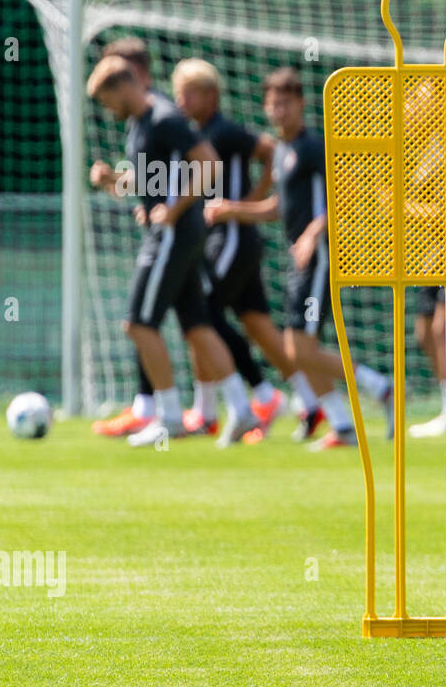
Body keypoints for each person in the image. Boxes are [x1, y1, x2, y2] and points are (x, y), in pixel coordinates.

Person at [215, 67, 394, 449]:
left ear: (300, 104)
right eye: (273, 103)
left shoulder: (314, 147)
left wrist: (313, 235)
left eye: (286, 103)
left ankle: (382, 389)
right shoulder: (281, 151)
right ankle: (344, 426)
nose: (279, 110)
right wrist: (233, 209)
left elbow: (345, 195)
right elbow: (279, 207)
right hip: (300, 259)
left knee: (301, 347)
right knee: (299, 349)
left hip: (323, 256)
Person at [85, 55, 258, 448]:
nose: (108, 109)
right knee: (196, 323)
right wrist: (113, 181)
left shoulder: (165, 117)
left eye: (108, 100)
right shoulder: (140, 124)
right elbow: (151, 181)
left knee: (139, 325)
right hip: (174, 232)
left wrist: (174, 209)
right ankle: (241, 407)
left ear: (124, 87)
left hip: (174, 235)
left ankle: (168, 417)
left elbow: (209, 164)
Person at [170, 58, 295, 440]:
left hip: (233, 237)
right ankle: (307, 401)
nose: (181, 100)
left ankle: (257, 395)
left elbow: (271, 150)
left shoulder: (224, 132)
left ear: (209, 95)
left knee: (202, 314)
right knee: (254, 321)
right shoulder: (198, 132)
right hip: (222, 238)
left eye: (188, 92)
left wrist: (248, 201)